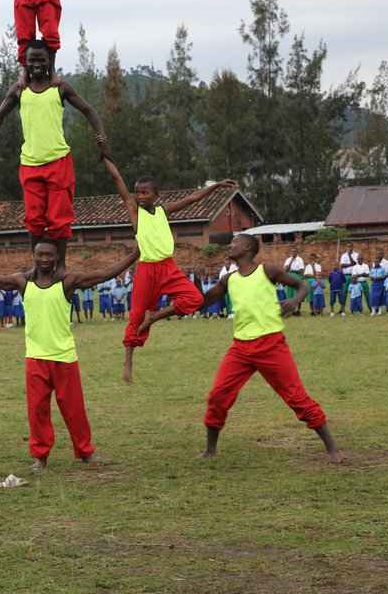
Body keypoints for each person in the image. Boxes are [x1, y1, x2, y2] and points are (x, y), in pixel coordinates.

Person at [0, 239, 138, 470]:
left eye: (49, 255)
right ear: (34, 255)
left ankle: (85, 451)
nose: (44, 259)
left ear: (57, 257)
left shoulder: (68, 282)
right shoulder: (22, 282)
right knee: (37, 411)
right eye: (40, 254)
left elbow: (103, 275)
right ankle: (40, 455)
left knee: (74, 410)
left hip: (65, 357)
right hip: (36, 358)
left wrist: (134, 255)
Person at [195, 234, 342, 463]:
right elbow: (202, 302)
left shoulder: (267, 270)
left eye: (233, 243)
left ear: (247, 247)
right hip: (240, 348)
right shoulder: (228, 279)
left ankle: (332, 449)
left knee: (296, 397)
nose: (229, 247)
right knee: (218, 396)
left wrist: (294, 301)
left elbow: (302, 286)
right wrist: (196, 281)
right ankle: (210, 450)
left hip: (271, 345)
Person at [0, 40, 110, 269]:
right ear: (25, 62)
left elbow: (89, 110)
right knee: (34, 219)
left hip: (58, 162)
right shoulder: (19, 90)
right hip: (30, 164)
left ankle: (61, 265)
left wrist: (102, 139)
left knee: (60, 218)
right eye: (31, 60)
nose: (36, 64)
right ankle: (37, 265)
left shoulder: (60, 88)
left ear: (49, 61)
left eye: (41, 59)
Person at [101, 157, 235, 381]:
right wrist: (105, 154)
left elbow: (193, 198)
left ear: (156, 194)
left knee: (194, 299)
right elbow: (117, 178)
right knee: (136, 315)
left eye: (145, 192)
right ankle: (128, 362)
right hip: (146, 269)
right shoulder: (135, 212)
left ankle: (155, 316)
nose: (140, 196)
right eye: (137, 192)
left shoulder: (164, 211)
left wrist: (217, 185)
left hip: (168, 267)